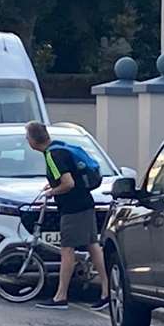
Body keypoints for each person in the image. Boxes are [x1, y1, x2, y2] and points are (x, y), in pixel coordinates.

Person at [25, 120, 109, 311]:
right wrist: (53, 185)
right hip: (85, 203)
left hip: (73, 208)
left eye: (27, 137)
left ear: (32, 140)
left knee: (67, 249)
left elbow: (68, 183)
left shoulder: (52, 156)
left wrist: (51, 192)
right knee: (93, 246)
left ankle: (61, 296)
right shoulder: (59, 149)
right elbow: (68, 176)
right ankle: (107, 291)